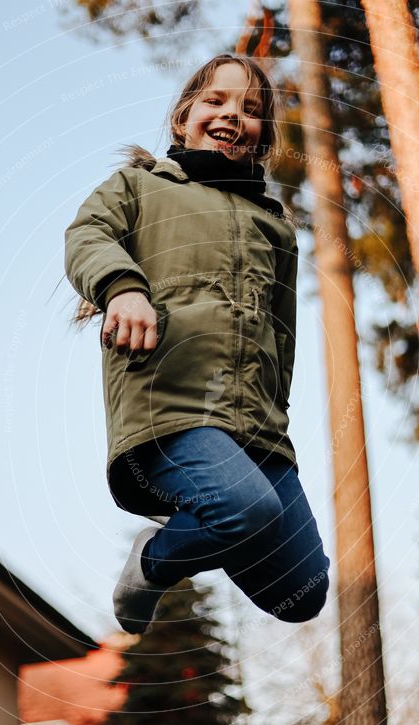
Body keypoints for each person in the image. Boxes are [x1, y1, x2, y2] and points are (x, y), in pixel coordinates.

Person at [64, 53, 330, 634]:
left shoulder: (274, 226)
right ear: (184, 117)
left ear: (261, 137)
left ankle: (214, 519)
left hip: (256, 428)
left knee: (302, 590)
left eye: (251, 109)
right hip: (171, 404)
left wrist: (275, 418)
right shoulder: (140, 186)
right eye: (216, 101)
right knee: (249, 510)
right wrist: (122, 290)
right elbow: (88, 235)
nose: (233, 114)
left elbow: (281, 333)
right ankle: (153, 562)